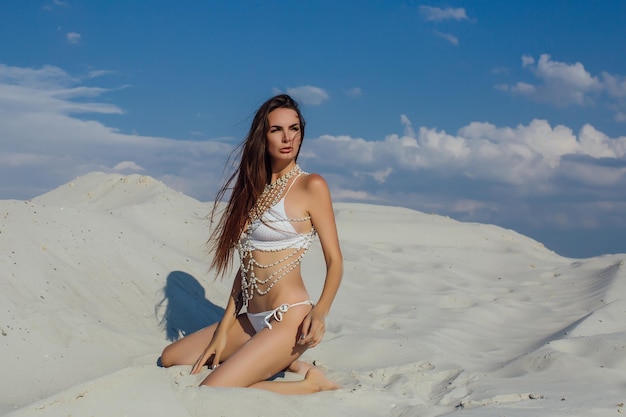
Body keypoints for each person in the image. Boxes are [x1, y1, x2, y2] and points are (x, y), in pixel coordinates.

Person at [160, 94, 343, 394]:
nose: (287, 138)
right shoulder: (254, 191)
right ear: (263, 135)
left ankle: (312, 385)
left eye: (294, 129)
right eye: (276, 130)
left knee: (214, 389)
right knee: (171, 358)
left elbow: (335, 261)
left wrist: (320, 312)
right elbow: (247, 267)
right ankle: (283, 363)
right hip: (251, 318)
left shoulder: (312, 186)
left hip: (289, 319)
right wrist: (222, 330)